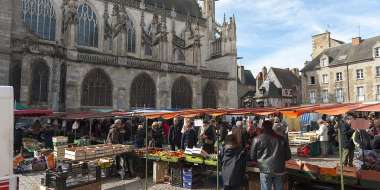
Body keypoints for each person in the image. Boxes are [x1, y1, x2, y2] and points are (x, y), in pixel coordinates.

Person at [251, 120, 291, 190]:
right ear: (272, 126)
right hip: (279, 169)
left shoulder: (256, 139)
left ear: (262, 127)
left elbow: (252, 157)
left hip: (264, 169)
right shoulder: (281, 139)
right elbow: (288, 156)